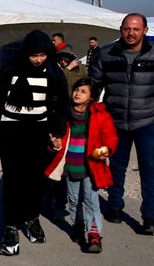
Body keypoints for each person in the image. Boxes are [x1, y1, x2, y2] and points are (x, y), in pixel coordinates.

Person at [89, 13, 154, 234]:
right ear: (121, 29)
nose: (131, 33)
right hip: (116, 121)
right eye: (127, 29)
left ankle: (149, 217)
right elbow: (92, 87)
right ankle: (115, 207)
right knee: (116, 167)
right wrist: (84, 115)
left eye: (136, 29)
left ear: (145, 31)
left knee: (149, 170)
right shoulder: (105, 54)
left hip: (149, 121)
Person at [0, 30, 69, 256]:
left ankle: (32, 217)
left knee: (35, 179)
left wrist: (57, 131)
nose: (38, 59)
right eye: (34, 55)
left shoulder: (54, 73)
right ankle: (11, 227)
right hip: (11, 131)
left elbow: (61, 105)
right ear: (26, 53)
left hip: (38, 131)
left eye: (42, 55)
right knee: (14, 179)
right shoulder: (10, 70)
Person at [44, 77, 118, 253]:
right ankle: (77, 225)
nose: (77, 93)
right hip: (70, 167)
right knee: (74, 200)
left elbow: (111, 137)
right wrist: (54, 144)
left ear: (92, 97)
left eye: (83, 91)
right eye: (76, 89)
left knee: (91, 201)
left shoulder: (100, 116)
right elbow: (54, 137)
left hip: (91, 168)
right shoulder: (64, 114)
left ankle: (94, 235)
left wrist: (107, 149)